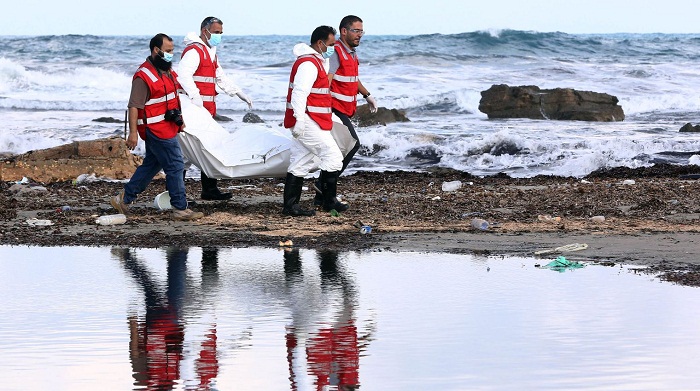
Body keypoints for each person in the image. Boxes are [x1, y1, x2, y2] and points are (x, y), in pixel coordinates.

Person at [111, 33, 204, 221]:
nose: (171, 54)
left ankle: (123, 199)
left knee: (152, 165)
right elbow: (134, 106)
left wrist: (180, 119)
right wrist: (133, 134)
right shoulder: (143, 76)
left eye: (172, 50)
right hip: (156, 130)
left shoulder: (167, 70)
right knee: (176, 164)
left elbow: (174, 96)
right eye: (168, 51)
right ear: (156, 50)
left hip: (168, 126)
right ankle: (180, 208)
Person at [178, 16, 253, 201]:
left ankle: (209, 190)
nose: (219, 36)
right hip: (193, 111)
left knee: (208, 148)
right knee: (186, 154)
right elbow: (183, 75)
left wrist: (238, 93)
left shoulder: (210, 52)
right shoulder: (194, 51)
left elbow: (220, 77)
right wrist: (195, 98)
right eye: (217, 32)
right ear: (205, 31)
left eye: (221, 33)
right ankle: (178, 195)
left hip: (206, 110)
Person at [282, 26, 349, 217]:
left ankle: (290, 207)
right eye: (330, 44)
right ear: (320, 43)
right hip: (306, 120)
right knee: (333, 157)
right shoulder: (309, 64)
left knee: (301, 161)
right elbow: (299, 93)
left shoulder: (318, 61)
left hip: (312, 119)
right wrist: (299, 120)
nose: (333, 48)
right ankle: (328, 202)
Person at [313, 15, 377, 205]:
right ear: (344, 31)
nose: (360, 35)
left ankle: (321, 194)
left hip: (344, 109)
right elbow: (328, 80)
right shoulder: (336, 52)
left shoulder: (352, 53)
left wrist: (367, 95)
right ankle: (322, 185)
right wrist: (323, 107)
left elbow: (353, 78)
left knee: (340, 148)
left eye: (361, 31)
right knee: (352, 144)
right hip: (333, 109)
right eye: (356, 31)